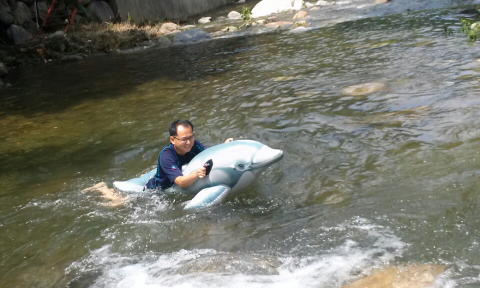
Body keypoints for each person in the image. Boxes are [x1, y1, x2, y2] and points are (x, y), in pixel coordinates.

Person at [145, 119, 233, 190]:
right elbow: (180, 182)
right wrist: (196, 174)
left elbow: (209, 153)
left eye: (191, 137)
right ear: (172, 140)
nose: (188, 142)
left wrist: (223, 146)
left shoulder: (194, 144)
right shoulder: (166, 155)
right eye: (184, 139)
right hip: (156, 191)